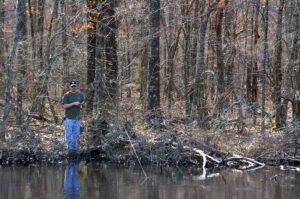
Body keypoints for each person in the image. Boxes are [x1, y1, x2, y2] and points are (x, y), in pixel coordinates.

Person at [62, 81, 86, 158]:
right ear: (69, 87)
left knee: (76, 134)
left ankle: (75, 150)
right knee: (69, 134)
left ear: (76, 86)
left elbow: (84, 104)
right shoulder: (66, 95)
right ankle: (70, 150)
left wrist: (83, 104)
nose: (73, 87)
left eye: (74, 86)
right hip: (68, 118)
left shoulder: (80, 94)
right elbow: (64, 106)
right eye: (72, 86)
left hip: (77, 118)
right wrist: (73, 104)